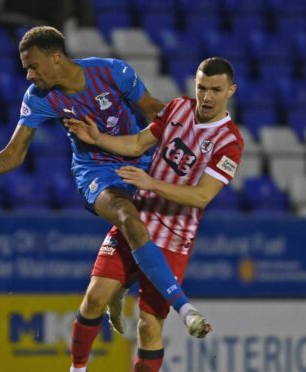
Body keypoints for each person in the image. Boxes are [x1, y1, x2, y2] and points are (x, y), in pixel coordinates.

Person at [0, 26, 210, 346]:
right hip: (95, 172)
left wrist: (199, 129)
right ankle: (185, 309)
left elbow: (155, 110)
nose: (29, 75)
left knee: (152, 229)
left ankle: (120, 286)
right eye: (25, 69)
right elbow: (15, 153)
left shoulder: (113, 72)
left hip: (136, 160)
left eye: (33, 66)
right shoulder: (39, 97)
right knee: (128, 217)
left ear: (56, 58)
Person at [64, 57, 243, 372]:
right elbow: (136, 143)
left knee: (148, 326)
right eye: (201, 87)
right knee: (94, 298)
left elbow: (202, 196)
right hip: (137, 220)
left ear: (230, 90)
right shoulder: (177, 109)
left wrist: (151, 183)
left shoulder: (230, 142)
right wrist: (98, 139)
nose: (207, 96)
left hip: (174, 236)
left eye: (216, 89)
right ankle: (77, 369)